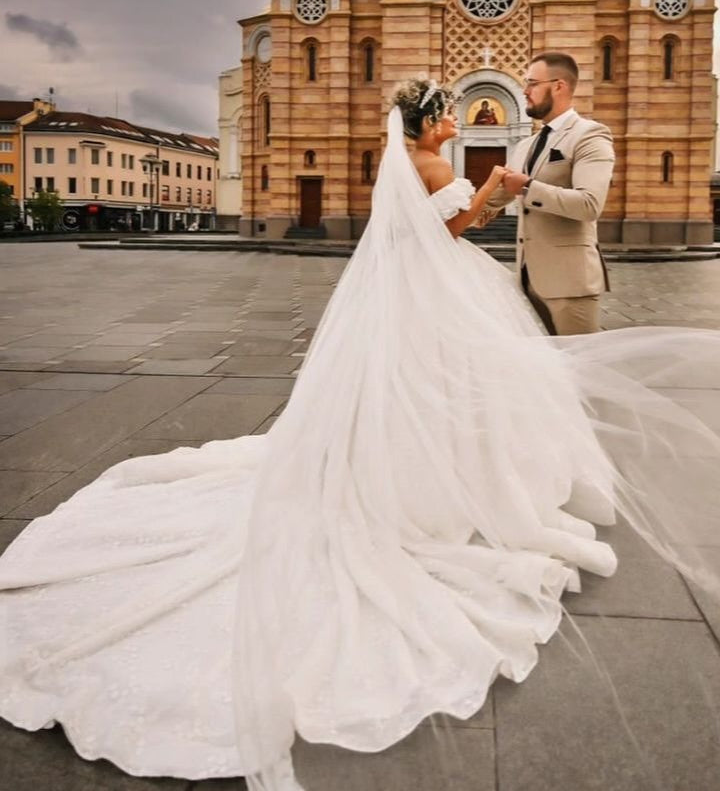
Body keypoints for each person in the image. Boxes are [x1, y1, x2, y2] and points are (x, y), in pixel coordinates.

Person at [0, 79, 718, 791]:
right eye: (446, 114)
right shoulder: (429, 163)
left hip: (410, 290)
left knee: (416, 389)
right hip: (437, 285)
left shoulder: (403, 160)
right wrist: (489, 190)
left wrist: (484, 192)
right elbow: (450, 230)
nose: (453, 121)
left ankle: (406, 470)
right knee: (450, 387)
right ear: (430, 122)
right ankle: (443, 487)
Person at [495, 52, 614, 336]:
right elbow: (497, 197)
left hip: (570, 284)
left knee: (582, 361)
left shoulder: (590, 135)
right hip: (527, 281)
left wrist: (528, 187)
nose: (525, 91)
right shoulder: (525, 146)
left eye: (532, 83)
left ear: (559, 86)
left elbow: (589, 204)